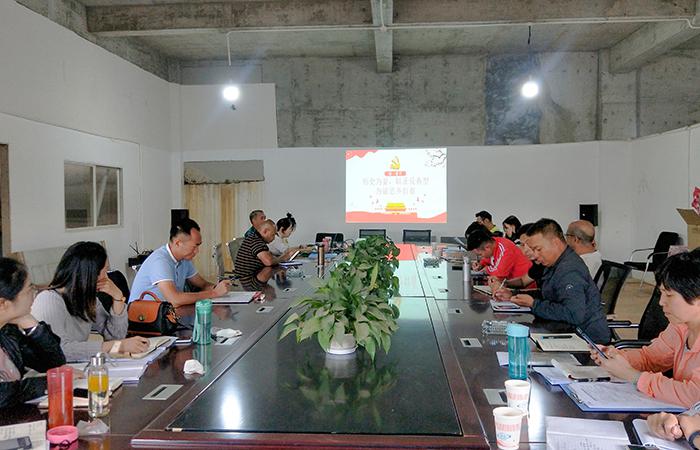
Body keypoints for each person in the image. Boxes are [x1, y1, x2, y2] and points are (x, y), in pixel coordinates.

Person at [591, 250, 700, 408]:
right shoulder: (680, 326)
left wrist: (634, 376)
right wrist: (617, 357)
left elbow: (694, 396)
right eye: (661, 293)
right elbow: (652, 358)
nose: (661, 302)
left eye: (669, 295)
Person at [32, 242, 149, 362]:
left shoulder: (88, 299)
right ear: (91, 274)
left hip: (74, 367)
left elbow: (114, 337)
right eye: (105, 271)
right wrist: (119, 346)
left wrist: (118, 298)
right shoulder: (48, 300)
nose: (107, 278)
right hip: (51, 371)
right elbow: (60, 350)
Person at [508, 218, 610, 343]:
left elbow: (573, 314)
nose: (535, 255)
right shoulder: (555, 263)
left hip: (588, 340)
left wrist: (534, 304)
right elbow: (549, 294)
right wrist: (514, 295)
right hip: (566, 330)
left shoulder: (569, 270)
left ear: (555, 243)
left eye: (538, 249)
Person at [0, 258, 65, 408]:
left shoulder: (8, 331)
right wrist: (50, 382)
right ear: (3, 303)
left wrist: (32, 325)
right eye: (30, 289)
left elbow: (54, 364)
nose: (34, 294)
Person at [129, 219, 230, 306]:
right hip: (144, 318)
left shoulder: (184, 259)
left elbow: (203, 284)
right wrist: (214, 293)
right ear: (178, 243)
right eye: (194, 246)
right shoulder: (160, 261)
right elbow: (174, 299)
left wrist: (218, 288)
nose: (197, 251)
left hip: (167, 314)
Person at [467, 228, 532, 292]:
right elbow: (488, 260)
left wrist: (486, 269)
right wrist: (480, 264)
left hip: (527, 288)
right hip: (512, 285)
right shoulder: (493, 244)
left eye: (480, 254)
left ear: (487, 247)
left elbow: (497, 276)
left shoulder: (505, 250)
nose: (481, 257)